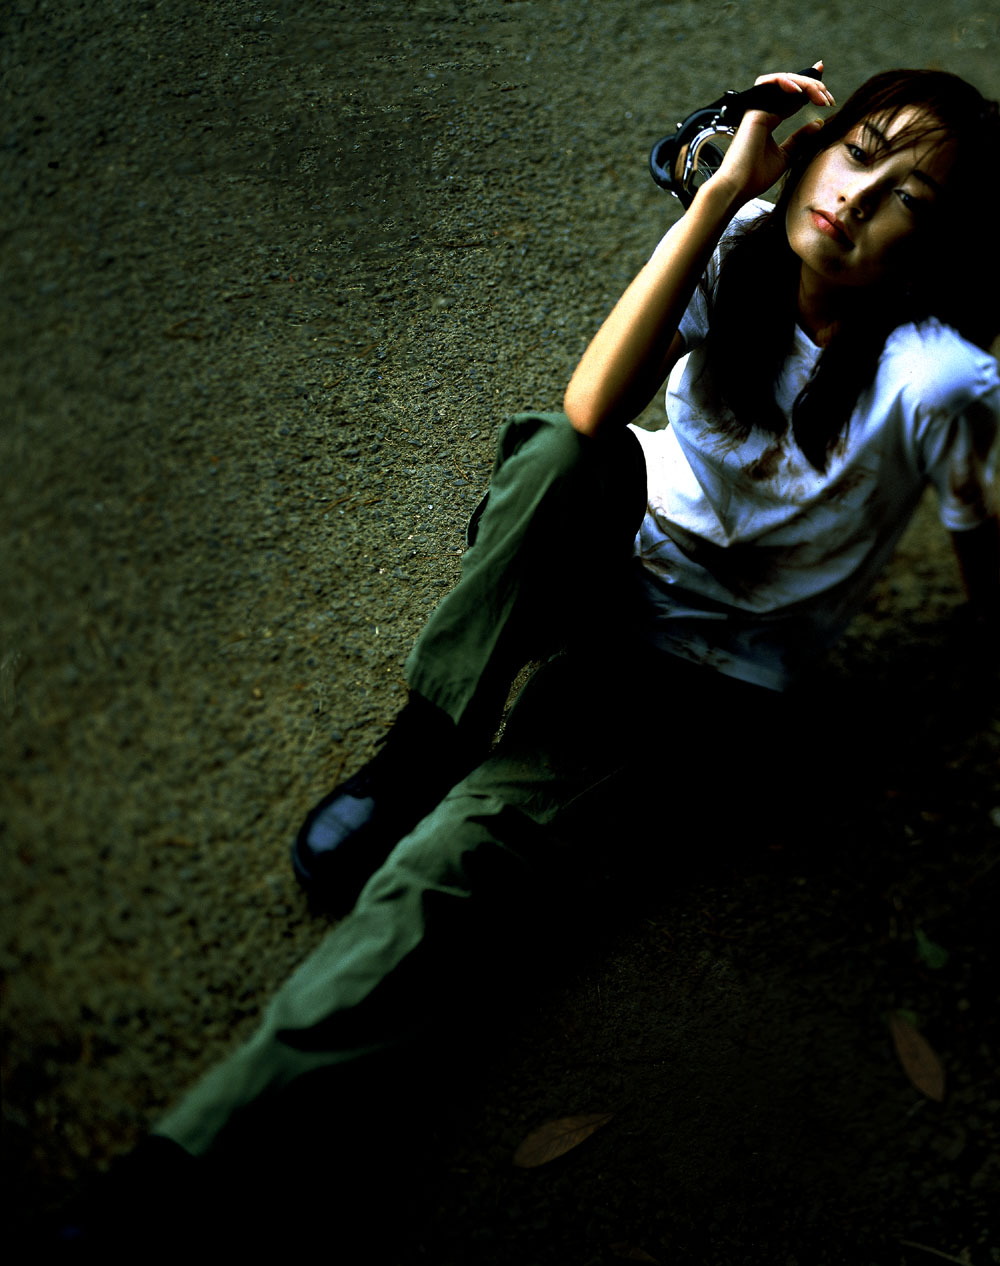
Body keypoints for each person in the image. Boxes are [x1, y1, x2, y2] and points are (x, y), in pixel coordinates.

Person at [60, 62, 1000, 1251]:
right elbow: (593, 410)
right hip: (604, 545)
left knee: (440, 879)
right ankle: (421, 745)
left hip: (694, 671)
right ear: (814, 145)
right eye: (857, 150)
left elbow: (983, 548)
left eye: (908, 195)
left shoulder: (938, 378)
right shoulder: (741, 242)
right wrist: (720, 197)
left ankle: (172, 1178)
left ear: (934, 246)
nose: (857, 196)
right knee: (559, 459)